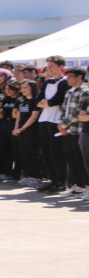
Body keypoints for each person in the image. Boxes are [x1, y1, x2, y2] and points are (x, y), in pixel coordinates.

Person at [36, 55, 71, 194]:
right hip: (44, 119)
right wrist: (47, 103)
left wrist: (48, 103)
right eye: (48, 66)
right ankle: (52, 180)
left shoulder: (64, 82)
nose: (49, 68)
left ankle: (61, 181)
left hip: (56, 120)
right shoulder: (47, 82)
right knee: (46, 152)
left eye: (52, 66)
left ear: (61, 67)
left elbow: (57, 100)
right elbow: (38, 100)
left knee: (57, 152)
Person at [57, 67, 89, 197]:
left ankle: (85, 186)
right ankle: (76, 185)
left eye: (70, 76)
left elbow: (78, 113)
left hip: (78, 130)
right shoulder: (69, 92)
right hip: (66, 131)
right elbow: (63, 109)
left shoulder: (84, 92)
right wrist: (61, 124)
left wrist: (64, 124)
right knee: (72, 160)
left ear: (79, 77)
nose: (67, 79)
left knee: (82, 160)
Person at [12, 80, 42, 188]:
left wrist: (23, 128)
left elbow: (34, 116)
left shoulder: (35, 101)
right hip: (21, 131)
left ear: (32, 88)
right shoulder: (22, 101)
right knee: (23, 153)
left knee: (32, 153)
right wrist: (16, 128)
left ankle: (36, 177)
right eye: (22, 87)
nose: (23, 90)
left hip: (31, 131)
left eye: (26, 87)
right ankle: (27, 175)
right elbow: (18, 116)